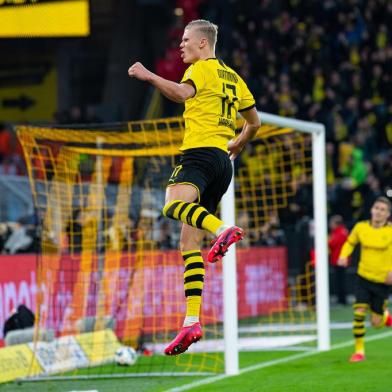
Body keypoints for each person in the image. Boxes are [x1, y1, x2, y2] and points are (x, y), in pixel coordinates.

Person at [128, 19, 260, 355]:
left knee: (171, 206)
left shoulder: (202, 70)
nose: (181, 45)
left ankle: (224, 228)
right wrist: (239, 143)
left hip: (199, 155)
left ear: (204, 43)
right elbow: (254, 122)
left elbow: (181, 94)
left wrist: (149, 76)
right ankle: (191, 321)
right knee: (189, 242)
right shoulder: (235, 78)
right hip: (222, 162)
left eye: (186, 40)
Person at [337, 196, 392, 363]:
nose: (378, 212)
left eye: (383, 210)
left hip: (382, 281)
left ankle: (385, 316)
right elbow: (349, 243)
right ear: (371, 210)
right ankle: (359, 351)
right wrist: (343, 256)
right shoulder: (360, 227)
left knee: (376, 323)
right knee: (359, 312)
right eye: (376, 208)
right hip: (363, 277)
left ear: (388, 214)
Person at [328, 215, 349, 305]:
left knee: (341, 280)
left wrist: (328, 240)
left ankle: (342, 300)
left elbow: (332, 243)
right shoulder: (340, 231)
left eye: (331, 222)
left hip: (340, 260)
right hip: (338, 259)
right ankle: (341, 299)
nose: (330, 224)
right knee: (340, 280)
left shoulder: (340, 232)